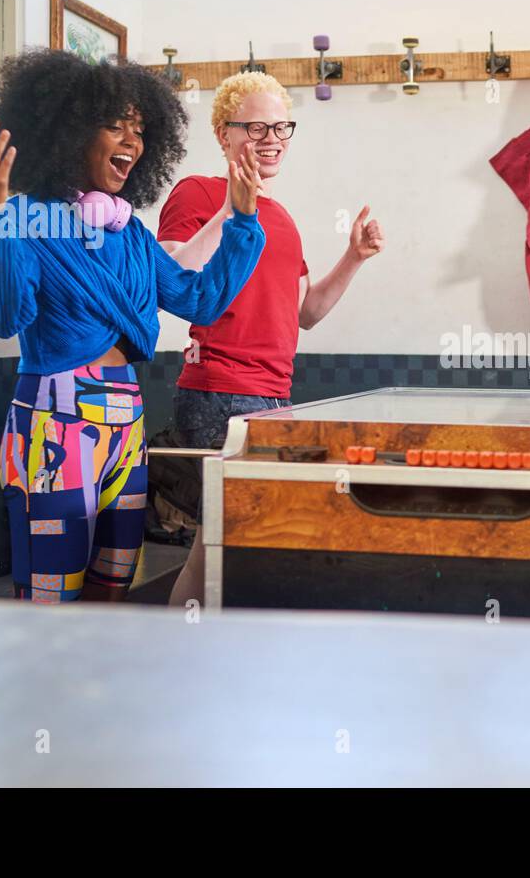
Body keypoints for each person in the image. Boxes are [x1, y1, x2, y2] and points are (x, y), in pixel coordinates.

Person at [0, 48, 266, 602]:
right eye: (114, 126)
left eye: (140, 130)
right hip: (55, 425)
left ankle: (101, 692)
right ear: (69, 133)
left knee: (113, 587)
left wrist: (242, 222)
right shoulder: (22, 221)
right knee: (53, 596)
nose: (132, 142)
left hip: (127, 430)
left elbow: (202, 301)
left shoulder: (131, 235)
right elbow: (4, 315)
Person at [154, 71, 384, 607]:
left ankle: (204, 652)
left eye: (281, 127)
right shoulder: (197, 192)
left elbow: (307, 312)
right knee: (222, 541)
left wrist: (354, 258)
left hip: (271, 399)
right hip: (217, 392)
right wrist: (233, 208)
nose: (271, 138)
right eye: (255, 127)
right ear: (223, 134)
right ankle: (181, 651)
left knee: (234, 542)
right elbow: (173, 276)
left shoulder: (282, 218)